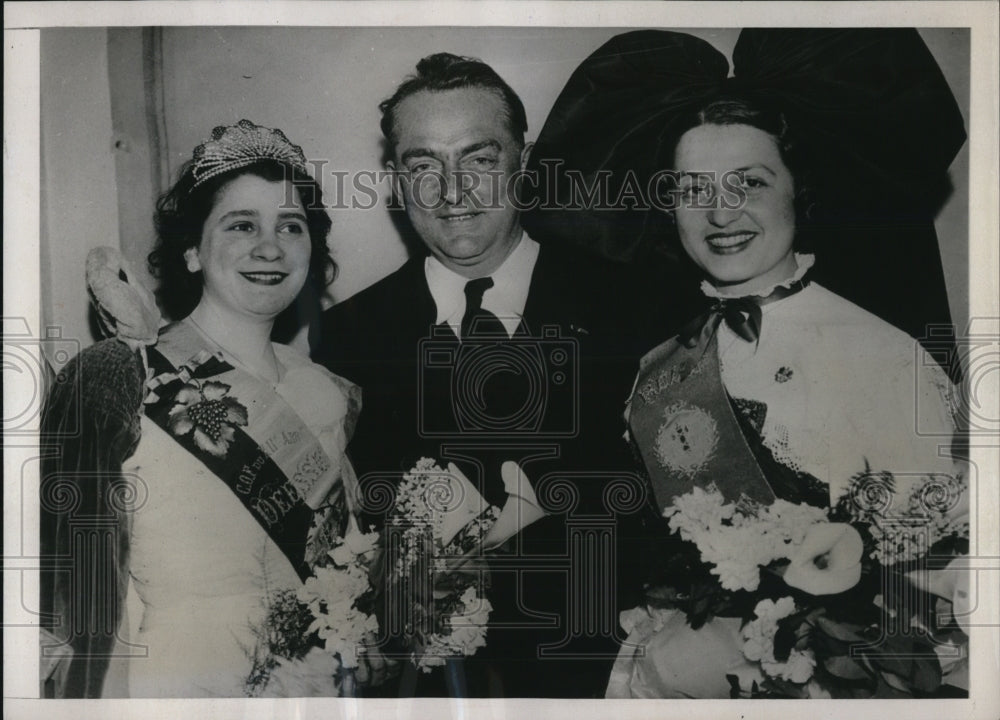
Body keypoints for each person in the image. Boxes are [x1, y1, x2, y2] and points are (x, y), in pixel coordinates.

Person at [312, 53, 675, 698]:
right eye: (424, 165)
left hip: (613, 677)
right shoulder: (349, 335)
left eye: (479, 160)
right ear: (395, 181)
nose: (452, 191)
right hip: (428, 689)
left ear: (524, 162)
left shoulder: (636, 304)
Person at [608, 90, 968, 699]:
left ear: (797, 190)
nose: (721, 213)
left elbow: (933, 580)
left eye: (749, 182)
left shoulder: (883, 356)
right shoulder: (664, 363)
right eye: (694, 189)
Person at [40, 120, 364, 698]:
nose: (270, 247)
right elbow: (65, 592)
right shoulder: (119, 374)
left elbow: (341, 567)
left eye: (291, 226)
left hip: (316, 689)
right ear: (191, 250)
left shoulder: (326, 391)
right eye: (242, 225)